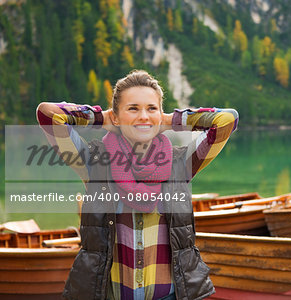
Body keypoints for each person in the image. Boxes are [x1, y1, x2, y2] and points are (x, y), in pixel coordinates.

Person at [36, 69, 239, 300]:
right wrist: (101, 118)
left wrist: (170, 120)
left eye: (151, 108)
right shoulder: (93, 162)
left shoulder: (180, 163)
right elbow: (49, 115)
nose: (143, 116)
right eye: (133, 108)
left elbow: (226, 120)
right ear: (116, 116)